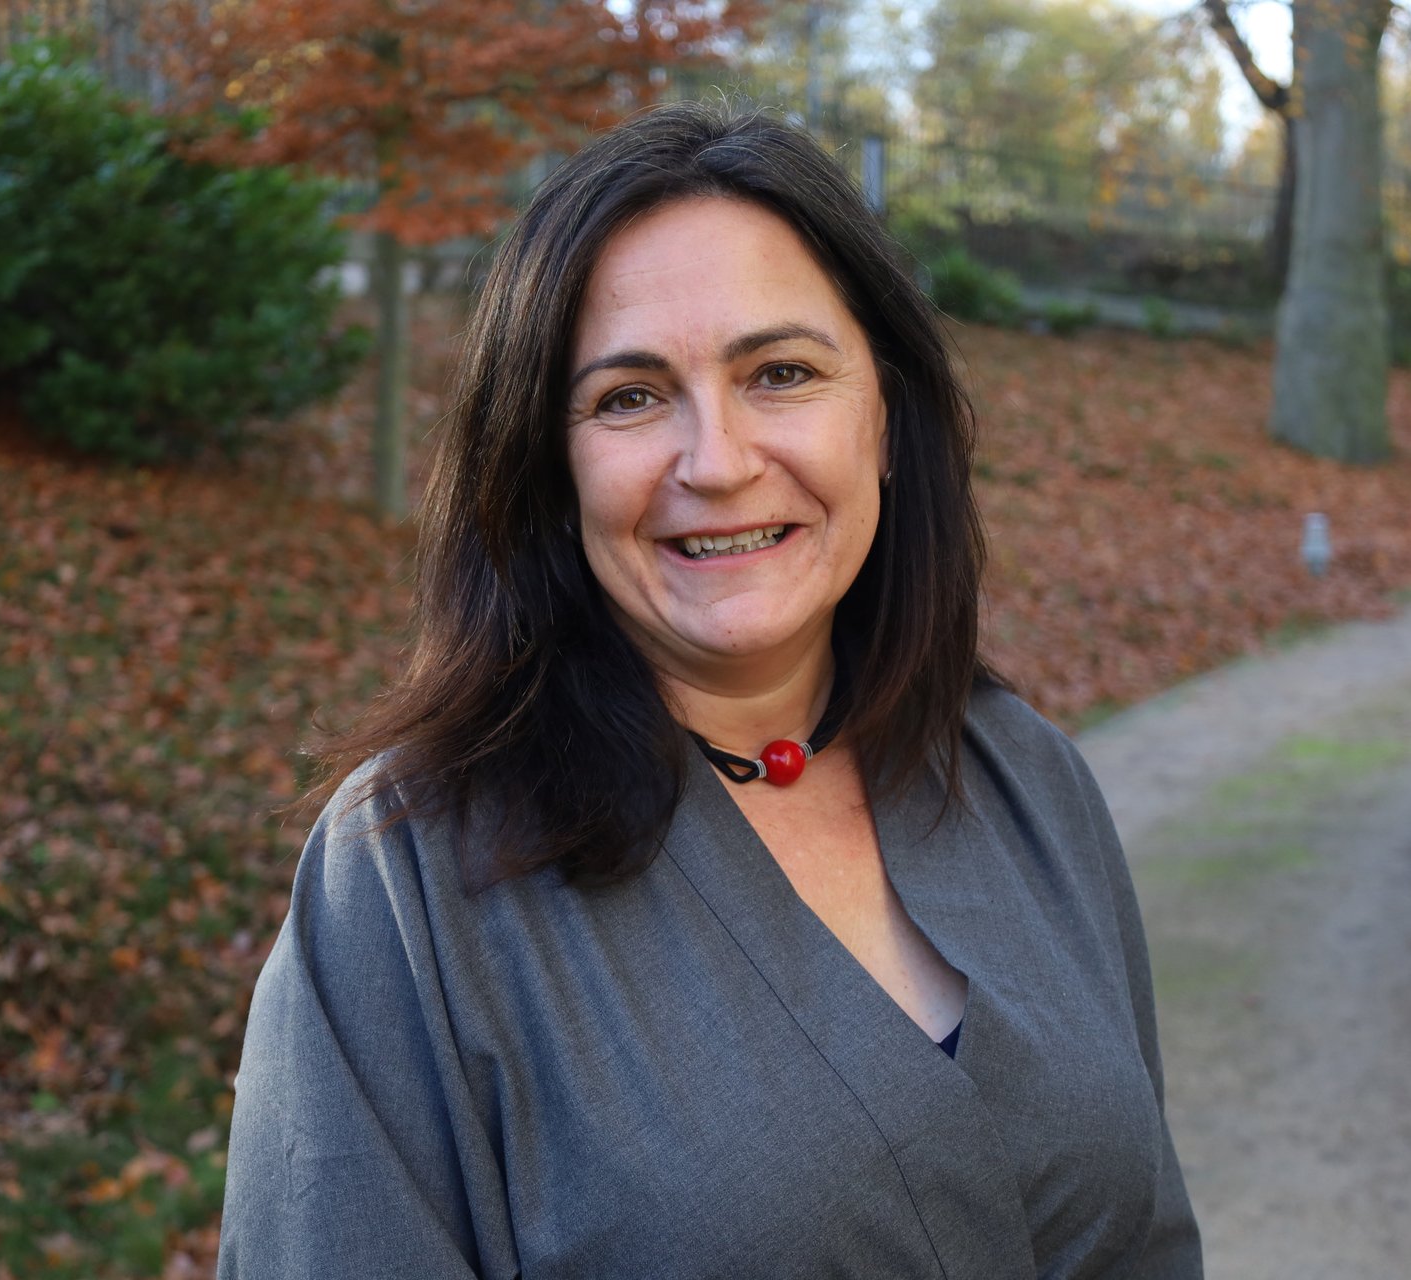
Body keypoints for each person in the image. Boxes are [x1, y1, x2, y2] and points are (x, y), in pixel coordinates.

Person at [216, 102, 1201, 1279]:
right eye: (630, 396)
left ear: (887, 419)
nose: (718, 462)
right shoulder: (411, 878)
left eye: (781, 373)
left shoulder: (1021, 776)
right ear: (548, 464)